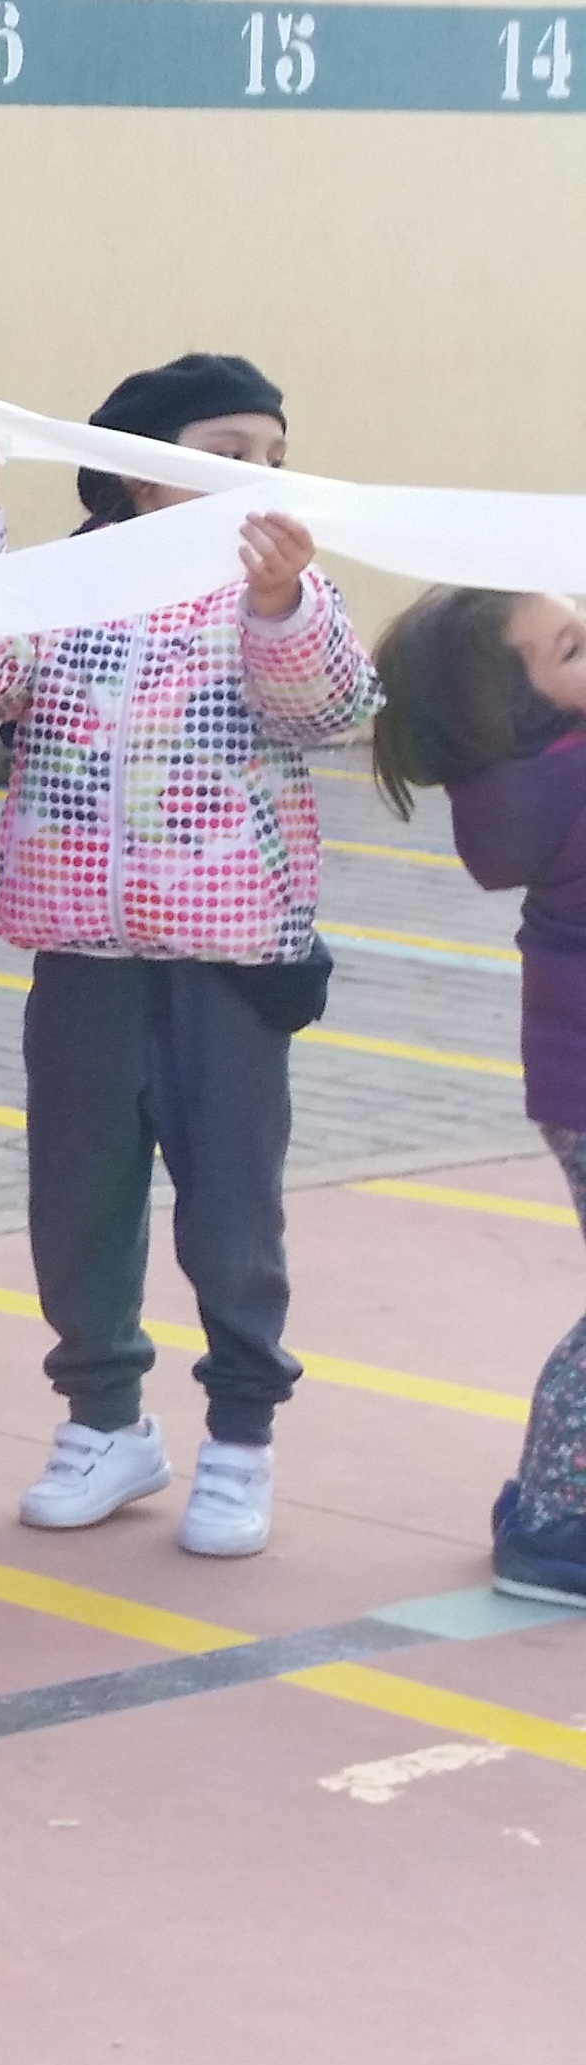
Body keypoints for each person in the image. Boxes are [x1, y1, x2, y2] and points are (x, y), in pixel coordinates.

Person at [0, 354, 373, 1557]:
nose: (257, 476)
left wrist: (280, 603)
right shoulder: (64, 587)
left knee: (230, 1212)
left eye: (273, 458)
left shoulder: (270, 596)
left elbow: (328, 709)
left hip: (225, 964)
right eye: (226, 453)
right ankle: (103, 1422)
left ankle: (238, 1438)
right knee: (75, 1203)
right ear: (136, 471)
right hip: (80, 955)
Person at [367, 588, 586, 1600]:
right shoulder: (569, 783)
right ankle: (552, 1523)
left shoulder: (534, 785)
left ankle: (549, 1497)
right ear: (518, 709)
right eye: (571, 648)